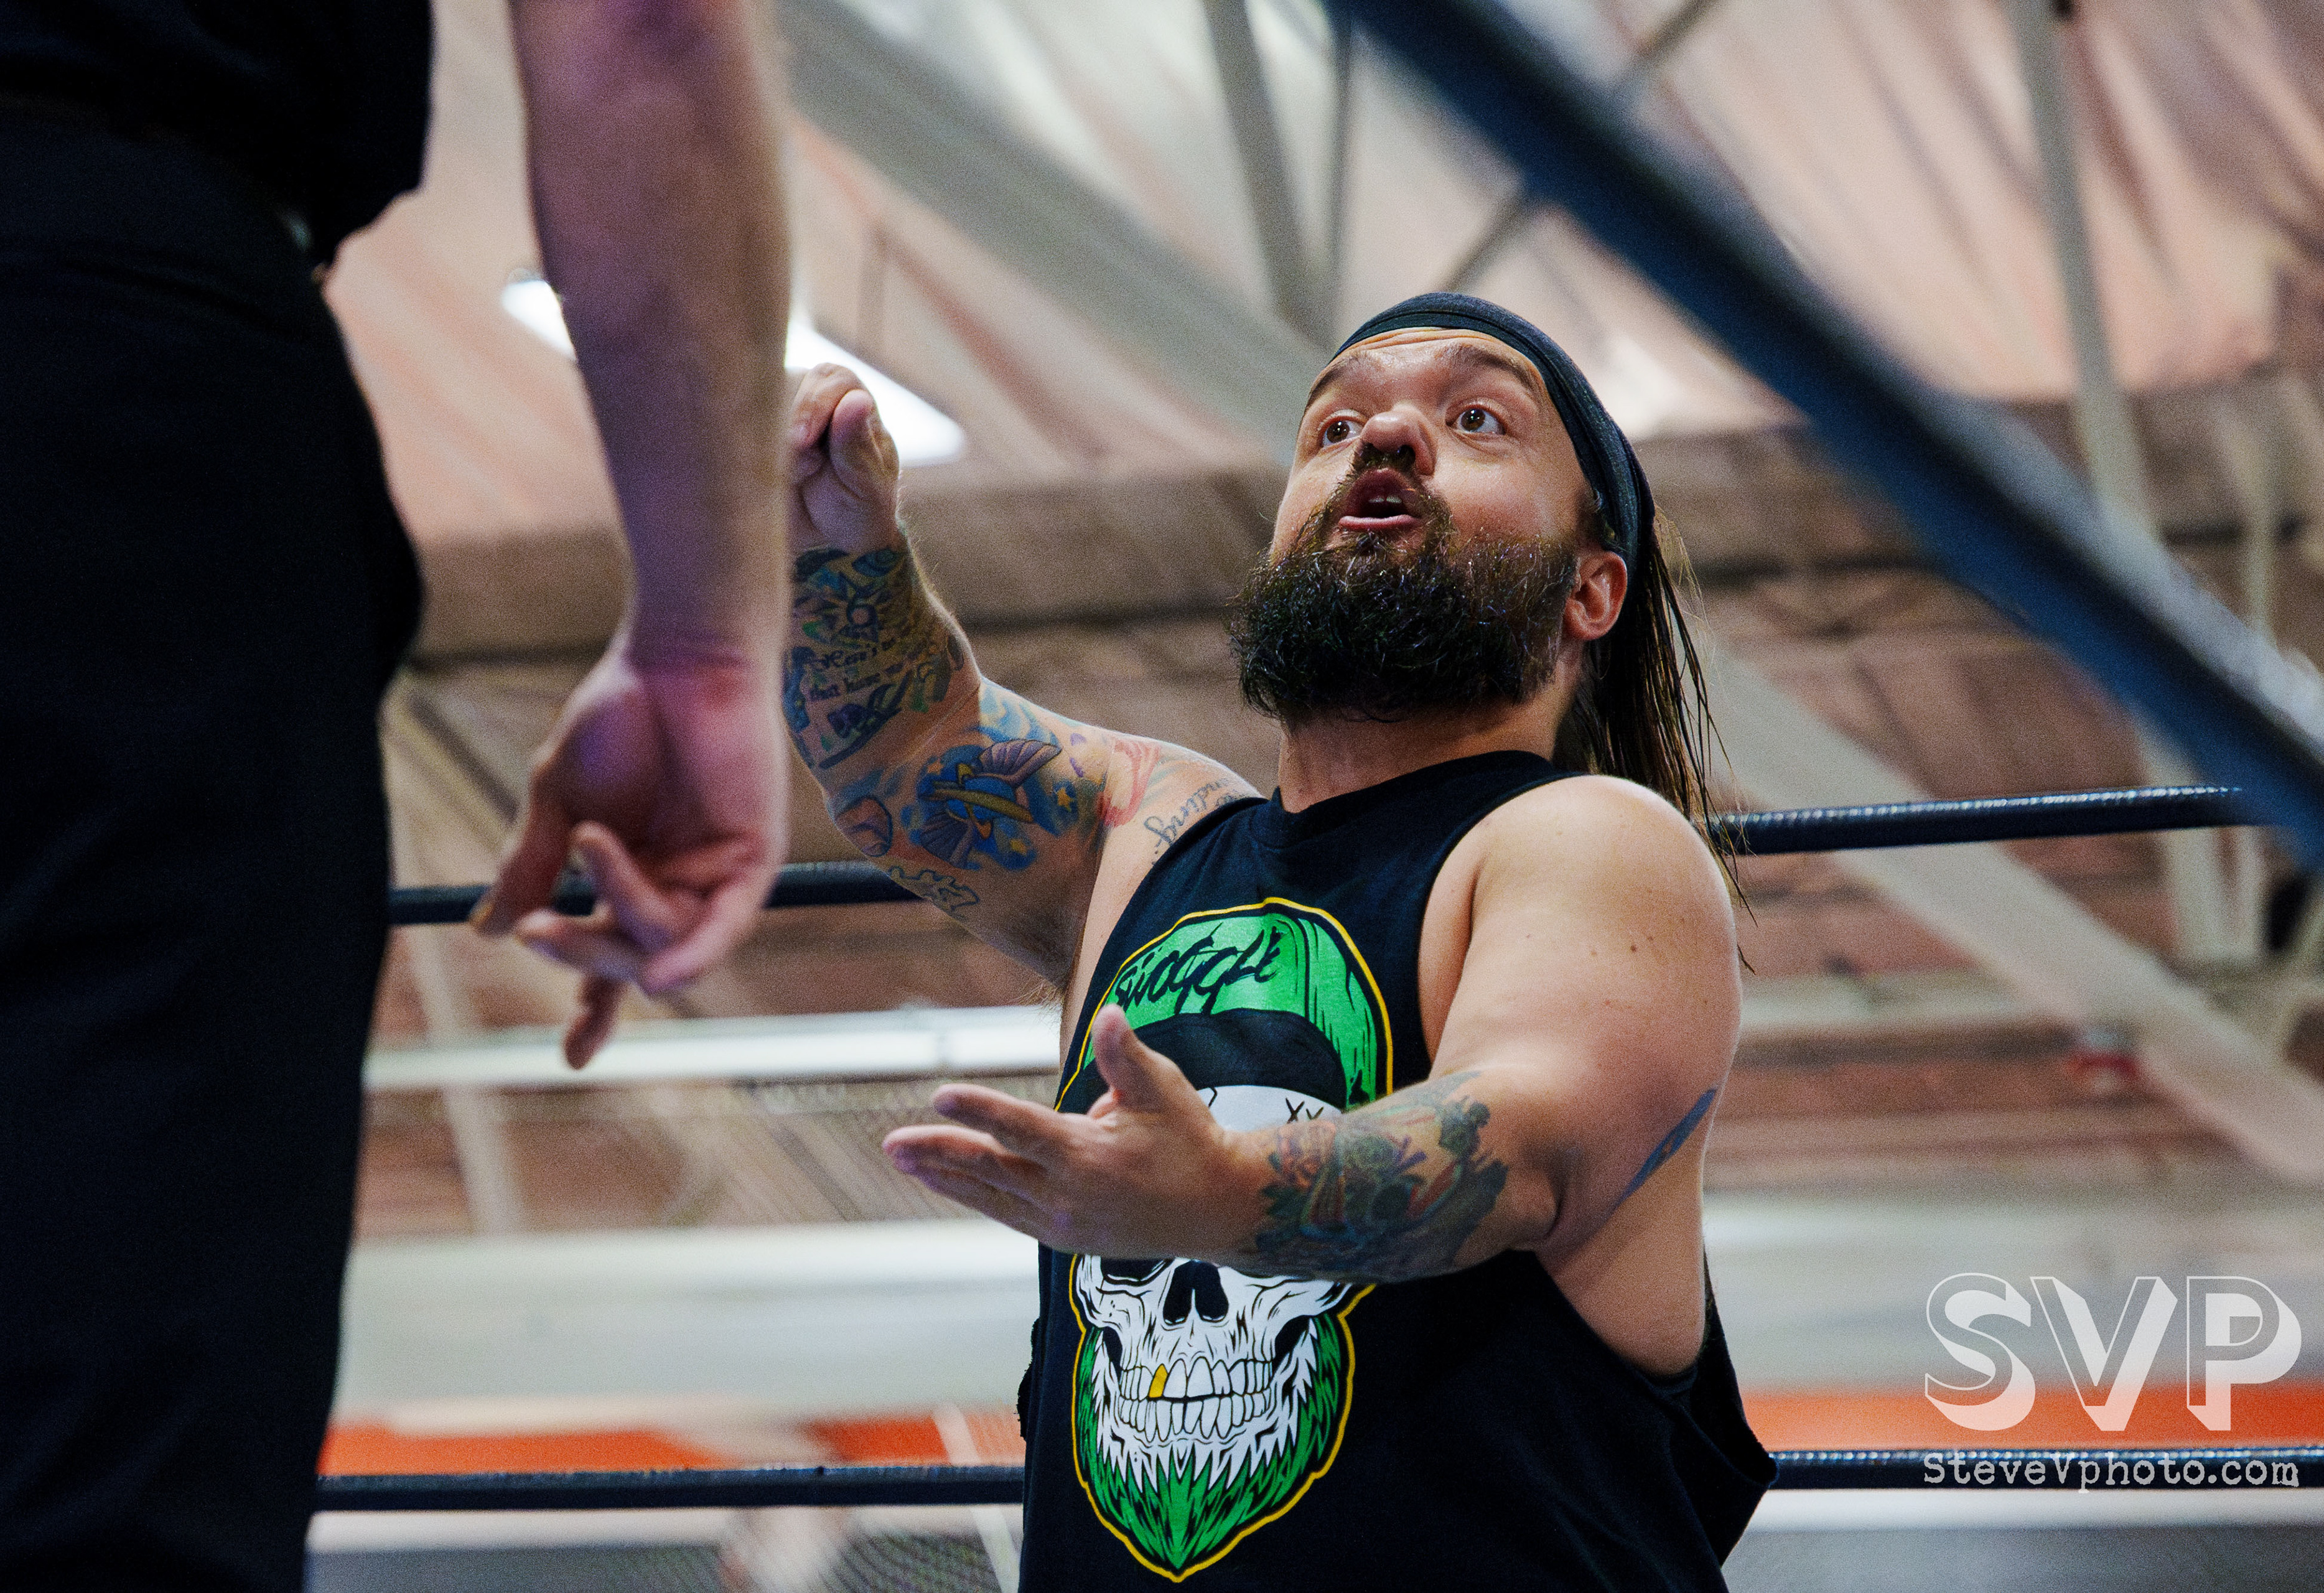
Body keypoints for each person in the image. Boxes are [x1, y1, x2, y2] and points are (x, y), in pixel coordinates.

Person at [783, 291, 1776, 1589]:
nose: (1388, 439)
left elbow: (1519, 1145)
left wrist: (1220, 1195)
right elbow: (908, 753)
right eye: (1336, 428)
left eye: (1478, 420)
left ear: (1593, 589)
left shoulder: (1591, 841)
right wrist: (837, 549)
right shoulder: (1146, 829)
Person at [0, 1, 793, 1586]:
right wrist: (704, 634)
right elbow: (637, 27)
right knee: (103, 1458)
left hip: (113, 341)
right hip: (102, 376)